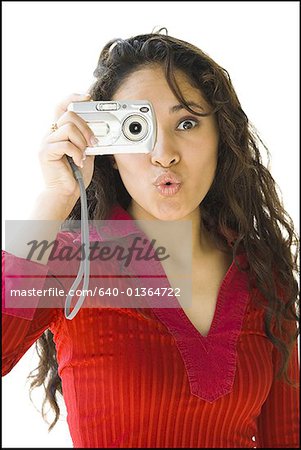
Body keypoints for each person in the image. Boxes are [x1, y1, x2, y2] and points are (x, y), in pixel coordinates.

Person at [2, 30, 300, 448]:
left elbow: (285, 436)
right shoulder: (73, 260)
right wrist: (55, 197)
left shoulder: (265, 272)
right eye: (138, 129)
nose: (164, 152)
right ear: (107, 145)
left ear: (223, 135)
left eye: (187, 122)